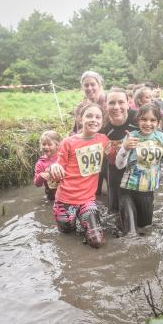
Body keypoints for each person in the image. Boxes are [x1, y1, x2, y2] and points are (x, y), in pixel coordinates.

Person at [49, 103, 113, 248]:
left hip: (87, 200)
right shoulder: (68, 142)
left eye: (98, 117)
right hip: (65, 199)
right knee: (66, 234)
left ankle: (87, 224)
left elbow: (114, 158)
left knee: (97, 241)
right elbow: (59, 165)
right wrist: (54, 167)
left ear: (102, 121)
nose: (93, 120)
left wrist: (123, 147)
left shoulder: (103, 140)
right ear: (80, 119)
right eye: (89, 116)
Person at [115, 103, 163, 231]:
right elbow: (119, 165)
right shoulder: (132, 137)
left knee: (145, 227)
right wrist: (125, 147)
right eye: (144, 119)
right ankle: (122, 223)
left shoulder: (162, 138)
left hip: (148, 192)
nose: (148, 123)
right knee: (129, 232)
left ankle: (121, 222)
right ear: (138, 120)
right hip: (127, 189)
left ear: (158, 123)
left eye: (153, 120)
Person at [101, 88, 138, 213]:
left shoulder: (138, 118)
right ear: (106, 106)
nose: (116, 107)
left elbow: (156, 133)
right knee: (114, 208)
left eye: (121, 102)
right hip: (113, 169)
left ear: (128, 103)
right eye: (111, 103)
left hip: (137, 169)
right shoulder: (102, 126)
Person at [34, 130, 61, 200]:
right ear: (40, 145)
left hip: (66, 194)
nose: (46, 147)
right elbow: (37, 184)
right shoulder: (40, 163)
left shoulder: (62, 158)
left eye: (49, 144)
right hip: (51, 196)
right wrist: (41, 176)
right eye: (43, 144)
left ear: (57, 145)